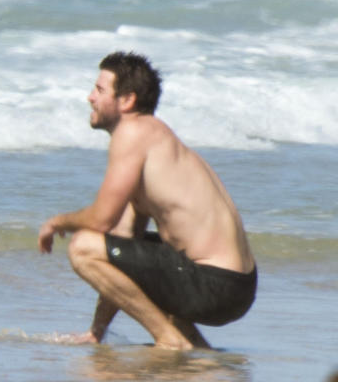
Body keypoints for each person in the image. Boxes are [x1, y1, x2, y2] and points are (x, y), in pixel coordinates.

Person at [37, 52, 257, 350]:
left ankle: (169, 340)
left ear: (126, 100)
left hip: (216, 283)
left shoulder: (134, 132)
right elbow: (122, 242)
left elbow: (101, 220)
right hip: (235, 286)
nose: (90, 98)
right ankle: (198, 349)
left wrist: (57, 222)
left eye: (100, 90)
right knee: (115, 249)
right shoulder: (153, 140)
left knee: (82, 246)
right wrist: (97, 331)